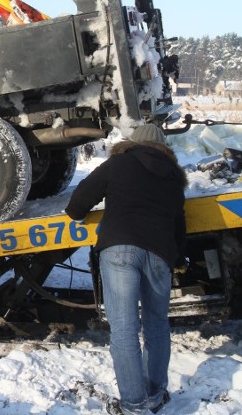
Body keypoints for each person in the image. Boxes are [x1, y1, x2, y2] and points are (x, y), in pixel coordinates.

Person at [65, 124, 187, 415]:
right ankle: (155, 395)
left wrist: (78, 214)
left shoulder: (120, 162)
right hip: (159, 254)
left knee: (124, 330)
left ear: (132, 143)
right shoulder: (173, 178)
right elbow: (179, 227)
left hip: (120, 248)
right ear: (164, 148)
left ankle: (133, 405)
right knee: (157, 324)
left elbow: (79, 201)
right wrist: (177, 260)